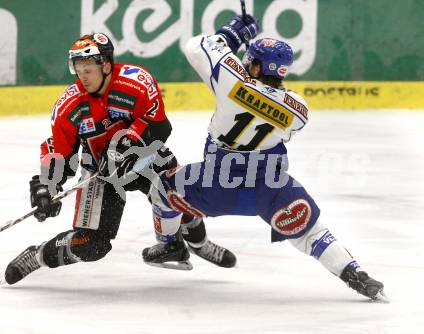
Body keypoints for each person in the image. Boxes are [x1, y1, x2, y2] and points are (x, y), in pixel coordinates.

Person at [142, 16, 386, 301]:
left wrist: (232, 34)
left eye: (250, 60)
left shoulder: (231, 80)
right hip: (269, 187)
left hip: (216, 185)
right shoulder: (299, 109)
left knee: (162, 188)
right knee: (310, 232)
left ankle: (170, 244)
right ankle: (356, 275)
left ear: (257, 65)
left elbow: (196, 46)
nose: (245, 63)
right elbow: (277, 112)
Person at [4, 33, 236, 285]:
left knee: (182, 197)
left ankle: (197, 244)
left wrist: (130, 145)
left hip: (146, 157)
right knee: (91, 245)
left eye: (88, 69)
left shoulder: (136, 82)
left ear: (105, 64)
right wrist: (45, 185)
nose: (82, 76)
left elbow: (160, 126)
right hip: (100, 171)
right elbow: (61, 151)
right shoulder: (69, 106)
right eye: (78, 69)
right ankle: (37, 256)